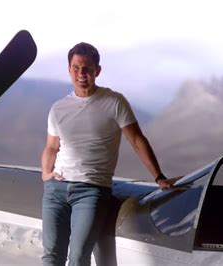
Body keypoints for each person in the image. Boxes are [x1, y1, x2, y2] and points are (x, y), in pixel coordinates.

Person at [41, 42, 179, 266]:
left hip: (91, 190)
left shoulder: (114, 102)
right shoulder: (58, 108)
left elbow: (136, 139)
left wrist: (159, 177)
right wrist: (46, 173)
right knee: (51, 256)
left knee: (78, 257)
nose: (81, 74)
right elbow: (51, 147)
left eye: (87, 68)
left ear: (97, 70)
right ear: (69, 69)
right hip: (56, 190)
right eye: (76, 68)